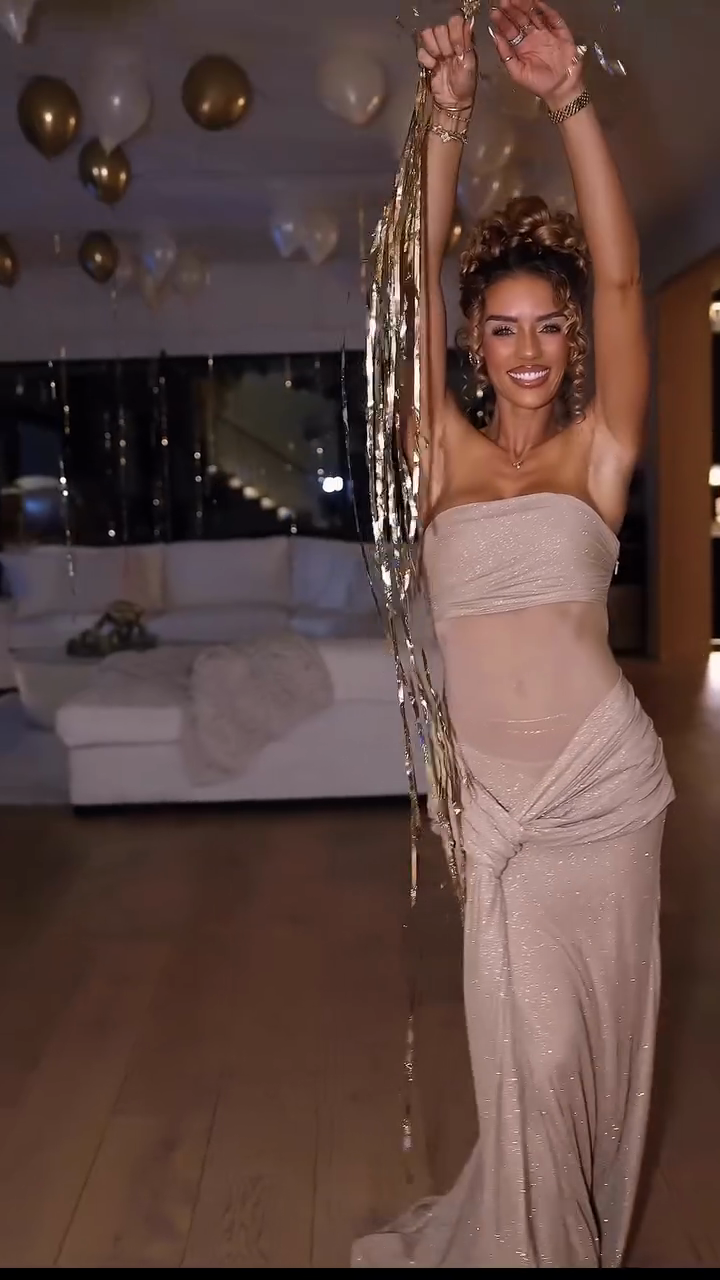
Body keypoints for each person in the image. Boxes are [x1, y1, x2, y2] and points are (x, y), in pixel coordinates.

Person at [352, 0, 674, 1268]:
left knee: (588, 1075)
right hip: (497, 809)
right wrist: (446, 121)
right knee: (528, 1064)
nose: (529, 348)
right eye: (502, 325)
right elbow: (401, 289)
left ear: (572, 336)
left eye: (549, 324)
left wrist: (570, 101)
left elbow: (626, 277)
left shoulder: (602, 454)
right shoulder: (439, 452)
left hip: (609, 788)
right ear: (472, 343)